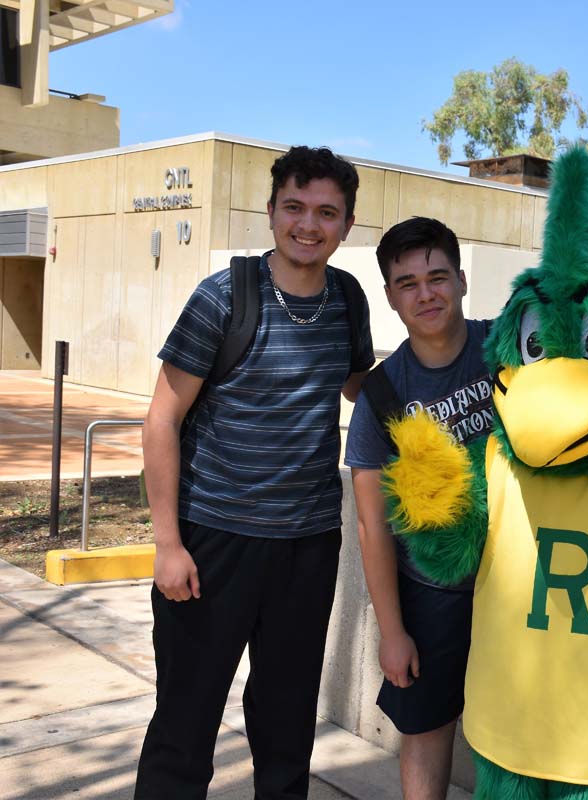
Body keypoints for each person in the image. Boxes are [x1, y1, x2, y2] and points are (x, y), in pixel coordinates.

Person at [136, 145, 374, 800]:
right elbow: (161, 420)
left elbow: (362, 387)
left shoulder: (349, 300)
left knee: (287, 729)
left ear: (347, 225)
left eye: (327, 212)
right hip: (213, 543)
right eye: (294, 207)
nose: (308, 224)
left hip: (307, 548)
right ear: (270, 212)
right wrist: (167, 545)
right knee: (185, 728)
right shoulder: (222, 298)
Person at [344, 217, 491, 800]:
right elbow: (371, 525)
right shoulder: (382, 396)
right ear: (390, 297)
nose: (425, 293)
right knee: (428, 730)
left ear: (460, 280)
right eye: (407, 283)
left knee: (528, 733)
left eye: (436, 277)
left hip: (522, 582)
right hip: (433, 594)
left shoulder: (509, 343)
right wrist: (393, 631)